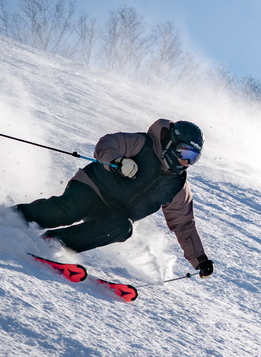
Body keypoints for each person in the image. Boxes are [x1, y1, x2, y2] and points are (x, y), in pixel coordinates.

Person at [16, 119, 215, 278]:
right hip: (92, 188)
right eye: (185, 152)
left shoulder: (177, 186)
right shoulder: (143, 144)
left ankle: (55, 243)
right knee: (68, 211)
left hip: (112, 213)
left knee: (123, 228)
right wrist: (117, 161)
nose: (186, 162)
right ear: (171, 144)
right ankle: (14, 217)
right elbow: (108, 142)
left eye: (194, 158)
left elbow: (184, 225)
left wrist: (200, 260)